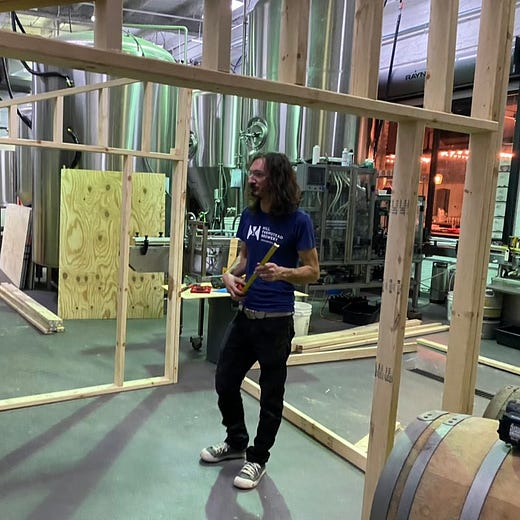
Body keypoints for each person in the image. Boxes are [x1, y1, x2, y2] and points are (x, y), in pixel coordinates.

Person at [200, 152, 320, 489]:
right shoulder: (249, 215)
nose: (251, 180)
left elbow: (313, 270)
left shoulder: (298, 221)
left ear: (276, 179)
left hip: (276, 322)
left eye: (259, 175)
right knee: (225, 380)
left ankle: (258, 458)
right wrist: (228, 276)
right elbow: (245, 258)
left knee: (270, 395)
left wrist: (282, 273)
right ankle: (236, 441)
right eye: (251, 173)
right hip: (246, 316)